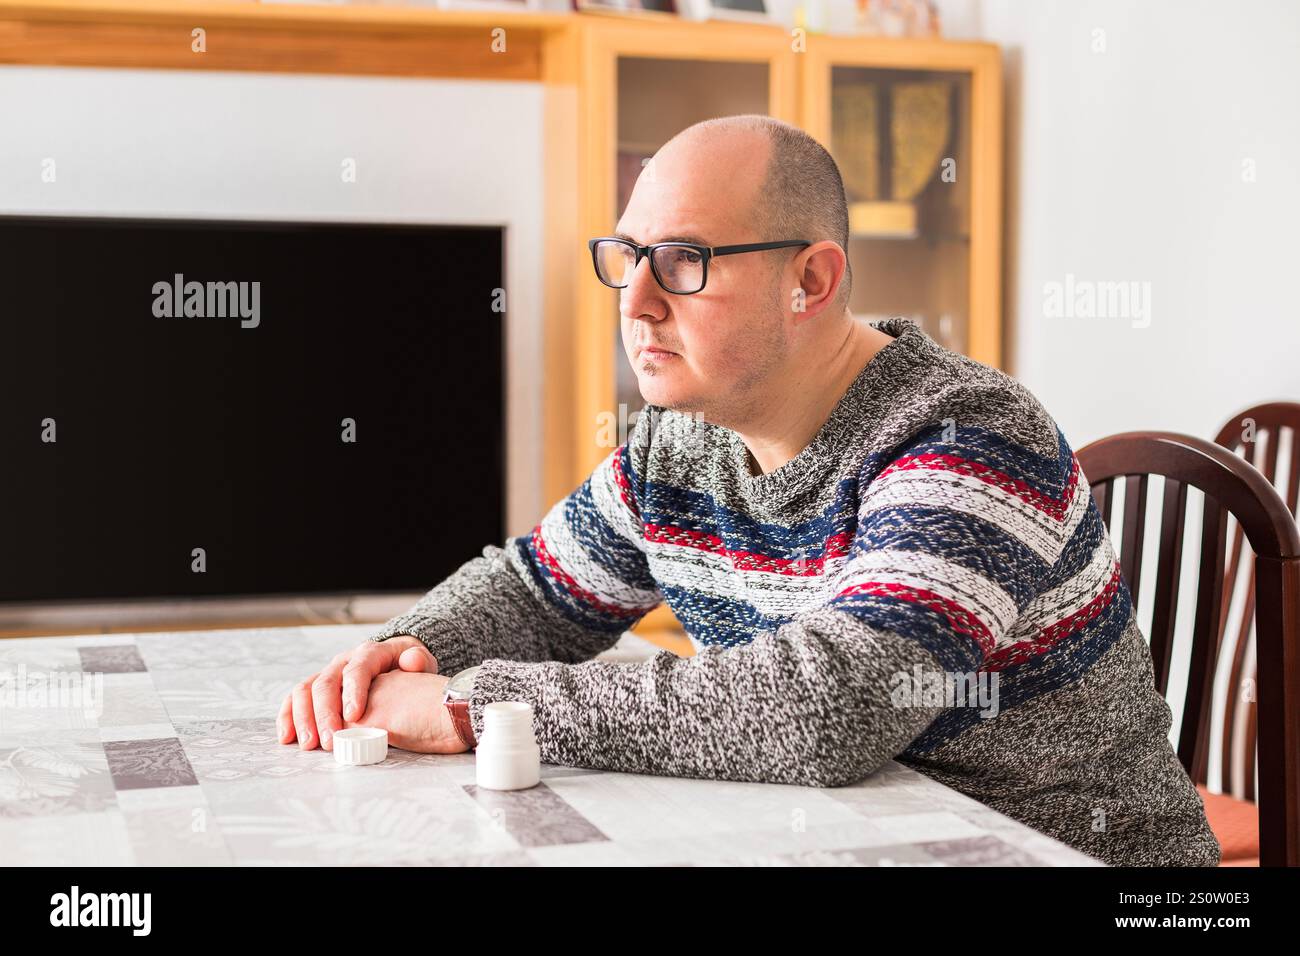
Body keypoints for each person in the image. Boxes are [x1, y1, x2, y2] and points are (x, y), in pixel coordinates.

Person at [278, 114, 1219, 867]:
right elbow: (535, 591)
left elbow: (836, 706)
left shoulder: (968, 439)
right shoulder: (676, 445)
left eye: (683, 263)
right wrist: (403, 652)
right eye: (626, 257)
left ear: (811, 280)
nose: (636, 303)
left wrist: (470, 708)